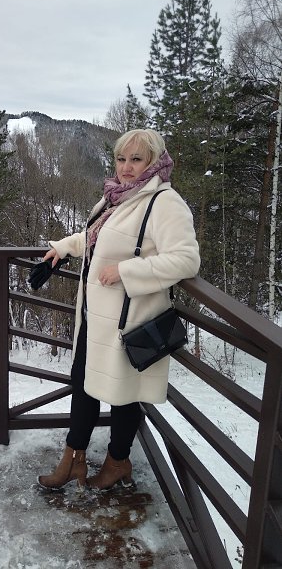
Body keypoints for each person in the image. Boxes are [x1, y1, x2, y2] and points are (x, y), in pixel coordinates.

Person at [37, 128, 200, 491]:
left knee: (124, 396)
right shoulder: (116, 197)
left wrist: (127, 271)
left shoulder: (164, 202)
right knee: (82, 385)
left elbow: (187, 260)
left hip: (129, 320)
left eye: (136, 159)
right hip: (95, 318)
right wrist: (63, 247)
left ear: (154, 161)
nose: (126, 167)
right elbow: (95, 238)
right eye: (121, 159)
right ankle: (73, 459)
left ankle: (117, 462)